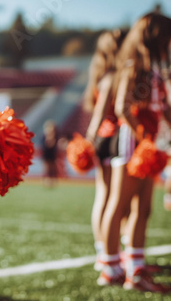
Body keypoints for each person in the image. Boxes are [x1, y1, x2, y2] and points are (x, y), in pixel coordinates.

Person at [98, 12, 171, 292]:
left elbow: (162, 107)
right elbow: (122, 108)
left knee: (145, 207)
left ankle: (135, 269)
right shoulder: (133, 65)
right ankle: (109, 266)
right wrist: (143, 136)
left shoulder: (158, 67)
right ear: (156, 36)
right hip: (133, 141)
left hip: (152, 142)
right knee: (120, 203)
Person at [83, 29, 126, 271]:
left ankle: (105, 250)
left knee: (106, 195)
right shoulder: (112, 76)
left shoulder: (101, 74)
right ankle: (105, 252)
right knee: (109, 197)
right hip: (111, 140)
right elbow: (100, 115)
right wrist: (88, 141)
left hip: (105, 139)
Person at [41, 120, 60, 187]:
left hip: (52, 155)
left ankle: (53, 181)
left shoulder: (55, 137)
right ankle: (46, 181)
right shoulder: (44, 137)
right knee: (47, 169)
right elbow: (45, 146)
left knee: (53, 168)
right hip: (46, 155)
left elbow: (54, 146)